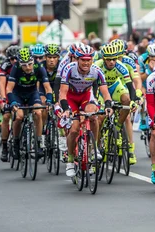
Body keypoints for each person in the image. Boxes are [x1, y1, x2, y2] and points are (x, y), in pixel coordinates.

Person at [57, 44, 112, 177]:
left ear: (92, 60)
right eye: (83, 60)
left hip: (86, 97)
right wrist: (65, 109)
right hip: (70, 98)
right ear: (77, 59)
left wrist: (109, 106)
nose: (86, 63)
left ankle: (93, 148)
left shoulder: (97, 70)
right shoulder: (69, 68)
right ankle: (70, 160)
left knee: (93, 116)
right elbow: (62, 93)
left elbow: (105, 92)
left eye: (88, 60)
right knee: (74, 129)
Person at [94, 43, 139, 165]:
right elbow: (92, 87)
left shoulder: (121, 66)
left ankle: (118, 126)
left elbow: (130, 86)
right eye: (109, 59)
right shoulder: (96, 66)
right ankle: (97, 147)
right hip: (100, 90)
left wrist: (134, 101)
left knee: (126, 100)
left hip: (115, 87)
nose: (112, 62)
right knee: (99, 119)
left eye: (114, 59)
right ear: (103, 58)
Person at [6, 47, 53, 160]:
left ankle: (38, 143)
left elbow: (47, 87)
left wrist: (49, 101)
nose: (27, 67)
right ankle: (16, 142)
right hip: (18, 94)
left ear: (33, 61)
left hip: (32, 93)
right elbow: (9, 89)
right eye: (24, 65)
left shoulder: (39, 67)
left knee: (38, 112)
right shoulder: (16, 68)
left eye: (29, 64)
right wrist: (12, 102)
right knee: (19, 117)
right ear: (19, 63)